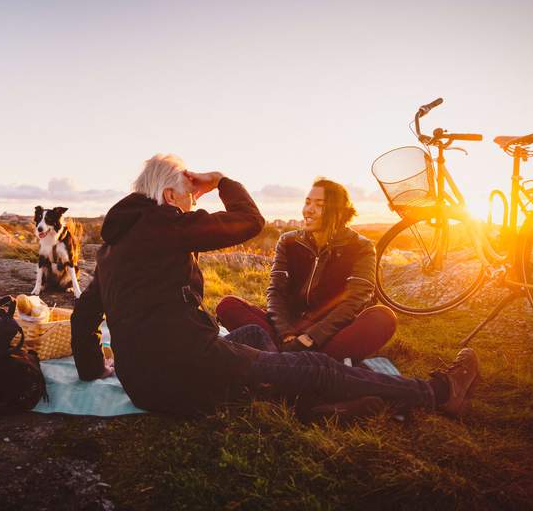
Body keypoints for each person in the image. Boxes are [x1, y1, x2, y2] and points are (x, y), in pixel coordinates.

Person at [71, 154, 480, 419]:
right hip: (188, 372)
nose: (193, 204)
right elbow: (251, 222)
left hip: (144, 386)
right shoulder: (168, 223)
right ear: (167, 195)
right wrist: (221, 181)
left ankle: (314, 405)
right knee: (314, 365)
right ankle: (437, 392)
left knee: (249, 336)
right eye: (189, 197)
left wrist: (94, 368)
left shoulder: (111, 248)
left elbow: (83, 316)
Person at [216, 178, 396, 361]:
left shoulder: (361, 246)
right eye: (307, 202)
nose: (308, 210)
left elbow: (355, 301)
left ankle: (280, 360)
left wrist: (312, 337)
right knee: (228, 305)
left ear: (339, 212)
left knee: (383, 318)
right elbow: (275, 292)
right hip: (289, 327)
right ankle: (307, 364)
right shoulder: (288, 241)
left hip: (330, 333)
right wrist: (286, 333)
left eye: (319, 204)